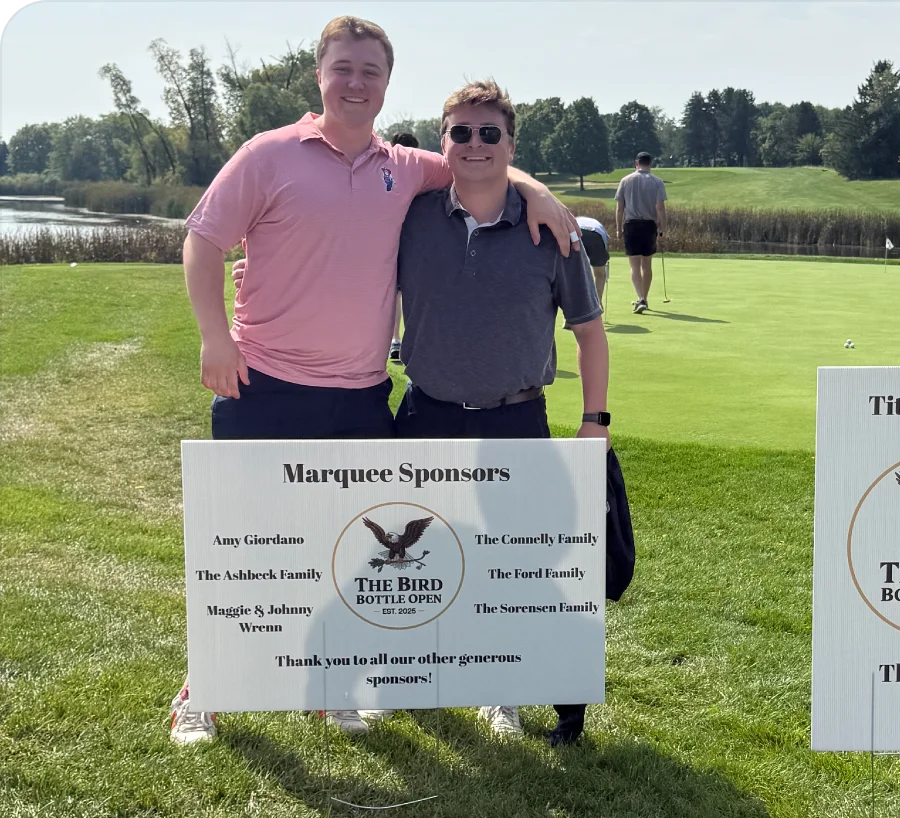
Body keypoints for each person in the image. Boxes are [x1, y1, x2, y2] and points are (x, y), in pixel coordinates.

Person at [173, 16, 579, 747]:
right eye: (343, 68)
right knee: (237, 546)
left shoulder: (405, 166)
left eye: (371, 72)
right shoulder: (268, 156)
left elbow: (476, 161)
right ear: (320, 75)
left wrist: (537, 190)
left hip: (361, 395)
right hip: (262, 379)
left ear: (387, 85)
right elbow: (202, 243)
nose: (356, 83)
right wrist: (212, 336)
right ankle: (202, 690)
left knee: (347, 552)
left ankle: (333, 682)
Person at [393, 80, 609, 747]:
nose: (475, 144)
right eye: (461, 132)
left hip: (514, 420)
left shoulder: (553, 231)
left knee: (519, 566)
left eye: (490, 134)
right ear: (444, 142)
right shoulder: (412, 214)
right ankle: (408, 677)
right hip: (425, 413)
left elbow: (590, 334)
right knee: (410, 558)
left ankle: (506, 693)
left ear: (511, 146)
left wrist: (595, 420)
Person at [614, 152, 667, 314]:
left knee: (634, 265)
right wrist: (662, 227)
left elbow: (619, 208)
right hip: (649, 225)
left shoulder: (625, 180)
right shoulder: (657, 182)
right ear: (650, 164)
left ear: (636, 163)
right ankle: (644, 298)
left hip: (631, 225)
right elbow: (660, 208)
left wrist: (618, 228)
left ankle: (640, 298)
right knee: (647, 264)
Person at [389, 131, 419, 361]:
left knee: (398, 293)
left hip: (402, 240)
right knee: (400, 293)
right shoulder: (420, 172)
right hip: (400, 240)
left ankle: (397, 340)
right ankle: (398, 341)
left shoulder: (421, 174)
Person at [576, 215, 610, 321]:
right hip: (596, 236)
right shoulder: (601, 229)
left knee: (574, 275)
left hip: (575, 233)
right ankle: (597, 303)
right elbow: (605, 244)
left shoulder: (577, 220)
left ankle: (570, 316)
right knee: (600, 274)